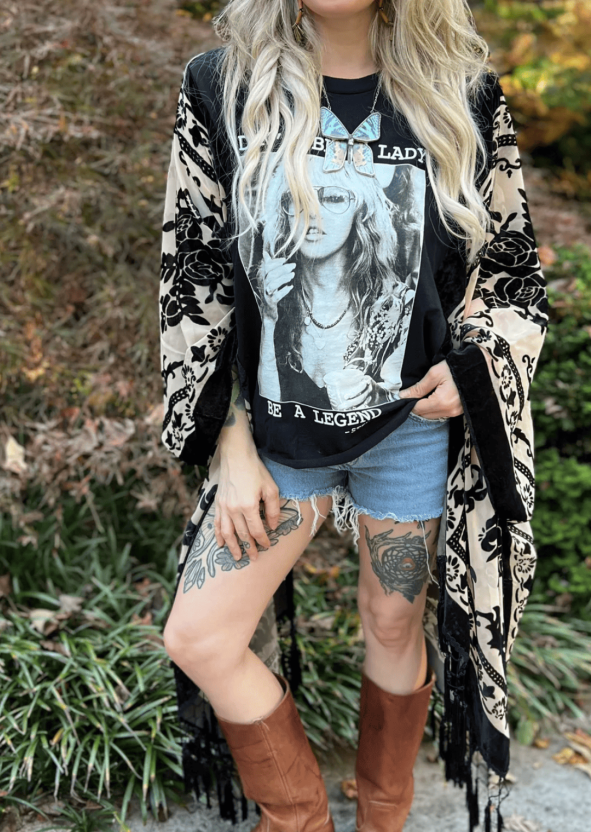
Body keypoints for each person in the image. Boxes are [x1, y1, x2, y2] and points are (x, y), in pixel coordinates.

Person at [159, 1, 549, 830]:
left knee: (392, 624)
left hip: (409, 430)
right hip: (275, 438)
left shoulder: (463, 94)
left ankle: (382, 818)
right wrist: (229, 444)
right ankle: (301, 821)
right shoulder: (222, 86)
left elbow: (512, 270)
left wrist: (475, 366)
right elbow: (193, 272)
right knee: (200, 636)